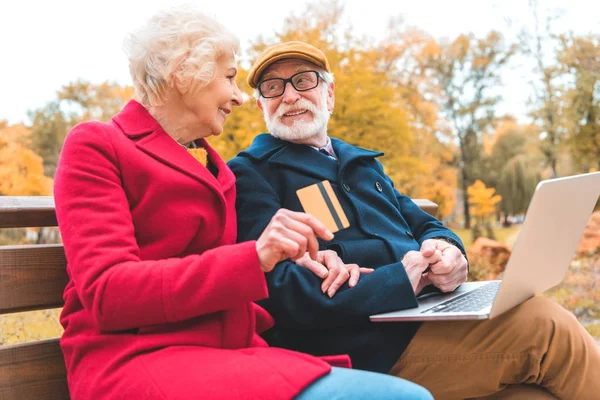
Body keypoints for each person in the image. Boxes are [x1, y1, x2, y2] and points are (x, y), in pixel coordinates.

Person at [52, 7, 433, 400]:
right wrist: (256, 257)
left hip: (227, 353)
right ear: (186, 72)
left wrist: (302, 259)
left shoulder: (214, 167)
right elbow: (108, 291)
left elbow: (231, 271)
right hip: (136, 359)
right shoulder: (98, 145)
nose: (237, 96)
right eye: (230, 78)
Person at [228, 40, 600, 400]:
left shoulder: (361, 164)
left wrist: (449, 251)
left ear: (329, 94)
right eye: (273, 87)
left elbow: (422, 223)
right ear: (262, 104)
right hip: (365, 349)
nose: (289, 96)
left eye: (303, 80)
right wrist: (398, 281)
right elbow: (275, 289)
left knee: (532, 394)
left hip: (432, 319)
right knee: (543, 327)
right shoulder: (250, 174)